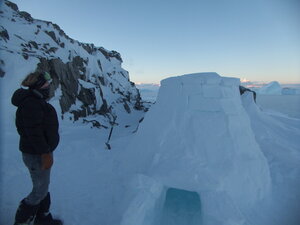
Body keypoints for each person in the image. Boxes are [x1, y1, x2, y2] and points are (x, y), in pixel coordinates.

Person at [11, 71, 62, 225]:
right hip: (36, 154)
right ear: (39, 85)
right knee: (39, 190)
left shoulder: (35, 100)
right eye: (46, 83)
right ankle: (22, 221)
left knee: (42, 187)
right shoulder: (31, 103)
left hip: (40, 152)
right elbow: (33, 132)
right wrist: (45, 152)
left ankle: (42, 218)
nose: (49, 85)